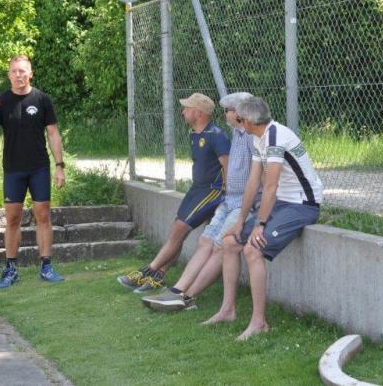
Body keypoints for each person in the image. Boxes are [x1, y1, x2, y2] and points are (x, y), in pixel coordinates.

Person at [206, 96, 323, 340]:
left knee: (253, 249)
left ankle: (259, 323)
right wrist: (240, 221)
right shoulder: (259, 137)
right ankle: (227, 311)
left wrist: (260, 224)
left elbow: (270, 186)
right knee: (229, 241)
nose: (238, 123)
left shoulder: (275, 137)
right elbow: (253, 181)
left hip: (302, 205)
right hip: (282, 202)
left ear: (247, 121)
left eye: (239, 119)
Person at [141, 92, 256, 312]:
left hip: (244, 203)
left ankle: (186, 297)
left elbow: (259, 175)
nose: (224, 114)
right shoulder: (238, 133)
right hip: (230, 200)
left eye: (227, 111)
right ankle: (177, 291)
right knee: (205, 242)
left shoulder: (252, 138)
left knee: (220, 247)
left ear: (239, 114)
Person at [117, 93, 230, 293]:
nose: (182, 111)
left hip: (212, 191)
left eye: (187, 108)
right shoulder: (194, 134)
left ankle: (147, 271)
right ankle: (158, 276)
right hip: (197, 189)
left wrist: (228, 195)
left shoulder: (216, 135)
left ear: (198, 113)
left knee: (179, 230)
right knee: (176, 233)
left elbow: (228, 166)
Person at [0, 55, 66, 288]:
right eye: (14, 71)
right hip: (13, 169)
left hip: (39, 168)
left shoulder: (42, 99)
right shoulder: (2, 101)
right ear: (9, 75)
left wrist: (59, 166)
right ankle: (11, 269)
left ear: (30, 73)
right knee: (13, 218)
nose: (19, 75)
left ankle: (46, 267)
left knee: (43, 215)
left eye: (23, 71)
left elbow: (53, 133)